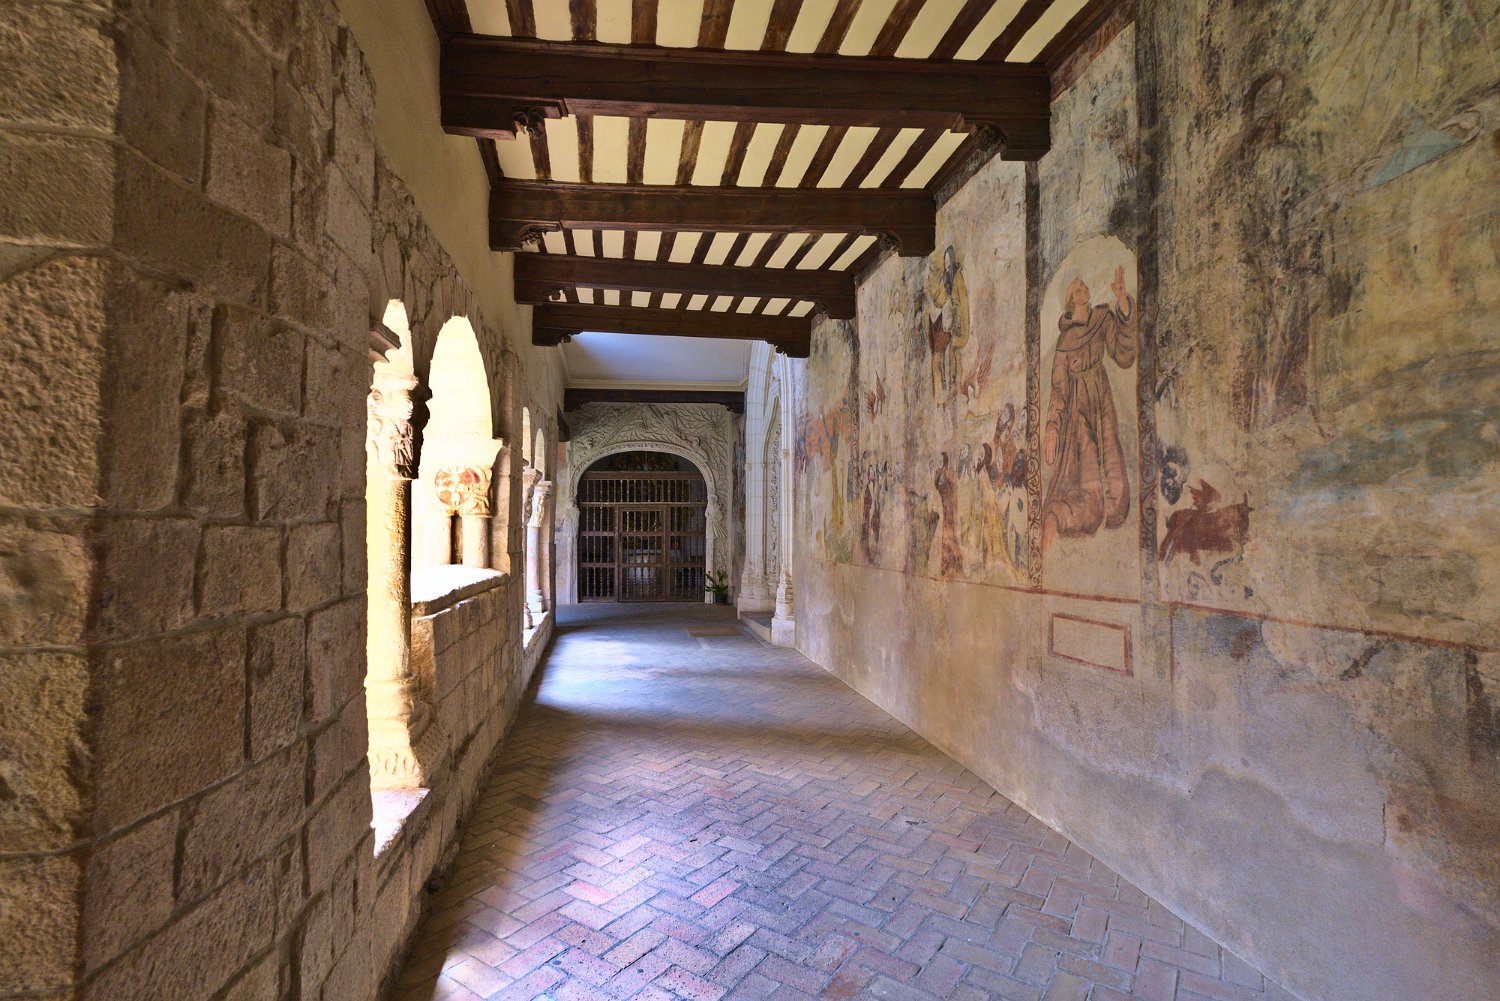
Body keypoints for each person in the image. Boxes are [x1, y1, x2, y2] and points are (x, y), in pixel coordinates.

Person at [1041, 264, 1138, 549]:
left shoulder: (1101, 318)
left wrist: (1122, 301)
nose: (1083, 290)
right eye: (1076, 289)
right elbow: (1059, 389)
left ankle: (1109, 513)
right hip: (1078, 410)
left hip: (1102, 401)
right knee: (1088, 474)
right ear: (1070, 300)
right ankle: (1060, 517)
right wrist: (1052, 429)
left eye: (1083, 285)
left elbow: (1123, 353)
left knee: (1114, 473)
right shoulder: (1065, 341)